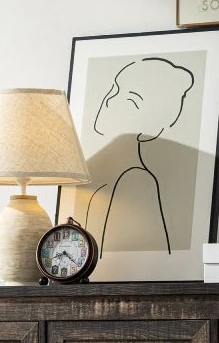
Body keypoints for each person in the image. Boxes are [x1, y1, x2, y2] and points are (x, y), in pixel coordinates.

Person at [78, 56, 194, 255]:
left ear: (151, 127)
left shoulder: (135, 178)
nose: (110, 100)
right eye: (115, 89)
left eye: (131, 100)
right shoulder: (99, 179)